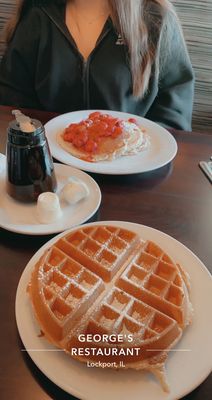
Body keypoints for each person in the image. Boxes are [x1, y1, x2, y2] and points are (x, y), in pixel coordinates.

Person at [0, 0, 194, 130]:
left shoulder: (156, 21)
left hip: (133, 175)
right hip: (50, 170)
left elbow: (174, 115)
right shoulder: (36, 15)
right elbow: (12, 102)